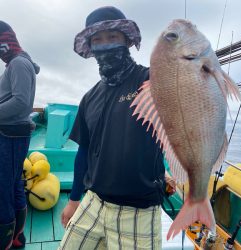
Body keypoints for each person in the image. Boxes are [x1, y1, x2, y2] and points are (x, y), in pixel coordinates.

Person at [60, 6, 175, 250]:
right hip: (93, 202)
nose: (105, 45)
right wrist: (73, 200)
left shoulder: (151, 80)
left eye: (112, 37)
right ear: (91, 49)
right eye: (97, 40)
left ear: (126, 40)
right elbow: (84, 153)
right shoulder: (89, 97)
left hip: (138, 210)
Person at [0, 21, 40, 249]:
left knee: (3, 188)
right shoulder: (15, 64)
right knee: (13, 184)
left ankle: (4, 240)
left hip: (10, 135)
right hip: (11, 133)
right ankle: (16, 237)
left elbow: (22, 102)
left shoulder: (18, 64)